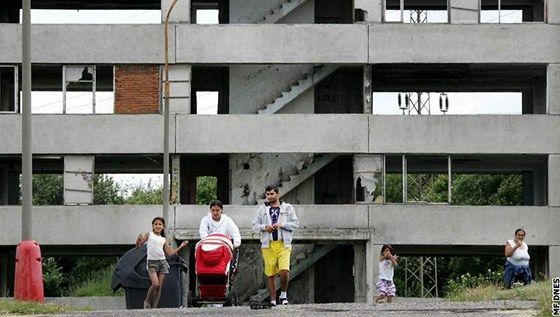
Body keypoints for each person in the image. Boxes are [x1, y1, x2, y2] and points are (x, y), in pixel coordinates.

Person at [252, 184, 299, 306]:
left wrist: (282, 224)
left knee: (284, 269)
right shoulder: (262, 209)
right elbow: (255, 226)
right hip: (268, 245)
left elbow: (295, 224)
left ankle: (283, 295)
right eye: (267, 194)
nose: (269, 196)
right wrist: (265, 227)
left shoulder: (287, 208)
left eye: (272, 194)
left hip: (283, 244)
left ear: (278, 194)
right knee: (270, 273)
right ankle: (273, 300)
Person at [136, 217, 188, 309]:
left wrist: (181, 246)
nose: (158, 226)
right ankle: (147, 301)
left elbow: (170, 253)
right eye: (156, 224)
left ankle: (155, 308)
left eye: (160, 224)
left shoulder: (163, 239)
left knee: (159, 287)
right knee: (155, 284)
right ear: (153, 226)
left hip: (162, 262)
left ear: (163, 227)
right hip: (151, 262)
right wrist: (138, 240)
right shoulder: (149, 234)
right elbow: (138, 247)